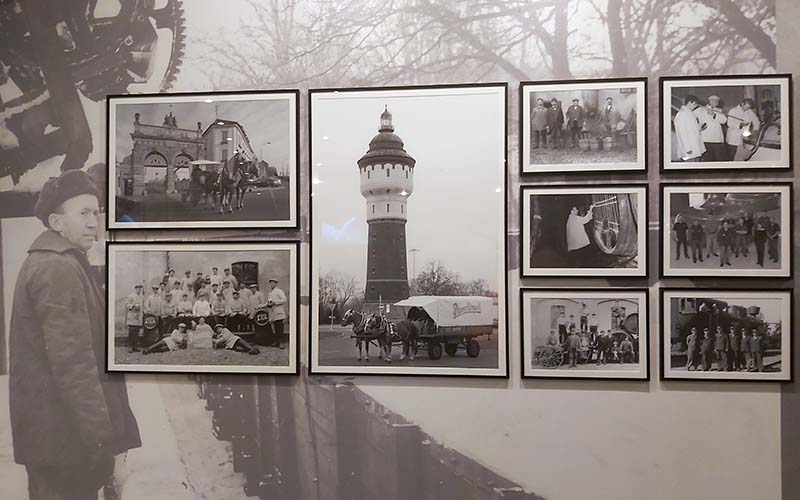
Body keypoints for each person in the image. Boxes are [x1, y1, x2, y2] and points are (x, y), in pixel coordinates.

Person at [10, 169, 140, 499]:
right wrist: (101, 442)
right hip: (65, 447)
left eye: (96, 212)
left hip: (59, 442)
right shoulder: (56, 267)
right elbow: (74, 365)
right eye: (83, 213)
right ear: (56, 222)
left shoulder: (61, 262)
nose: (94, 222)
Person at [695, 95, 727, 161]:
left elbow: (724, 120)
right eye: (714, 100)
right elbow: (692, 118)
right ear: (709, 101)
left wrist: (714, 115)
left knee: (719, 159)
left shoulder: (719, 111)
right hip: (706, 139)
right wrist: (698, 127)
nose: (716, 102)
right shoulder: (701, 109)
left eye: (717, 101)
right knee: (708, 159)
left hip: (717, 140)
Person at [674, 94, 704, 161]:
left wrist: (699, 128)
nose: (696, 106)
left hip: (694, 146)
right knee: (689, 166)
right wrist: (687, 148)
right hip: (689, 149)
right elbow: (682, 132)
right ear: (690, 102)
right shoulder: (682, 114)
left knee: (695, 166)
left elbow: (690, 128)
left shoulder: (690, 113)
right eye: (695, 104)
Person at [267, 278, 288, 349]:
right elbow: (269, 302)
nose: (271, 284)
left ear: (276, 284)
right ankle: (277, 341)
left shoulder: (279, 291)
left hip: (279, 312)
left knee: (280, 327)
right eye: (270, 283)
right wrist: (268, 305)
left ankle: (281, 342)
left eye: (273, 283)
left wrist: (275, 302)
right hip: (273, 312)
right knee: (275, 328)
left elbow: (284, 300)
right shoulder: (270, 293)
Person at [125, 284, 144, 352]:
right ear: (135, 289)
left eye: (140, 289)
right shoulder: (131, 296)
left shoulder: (142, 296)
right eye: (138, 288)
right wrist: (133, 306)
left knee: (137, 332)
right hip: (132, 316)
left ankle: (135, 346)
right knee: (131, 332)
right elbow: (127, 304)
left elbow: (143, 306)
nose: (139, 290)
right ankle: (130, 346)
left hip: (138, 317)